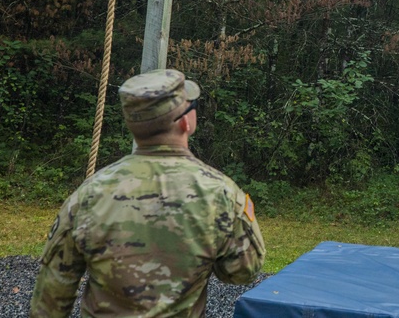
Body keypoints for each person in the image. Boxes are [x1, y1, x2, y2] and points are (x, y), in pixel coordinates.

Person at [30, 69, 265, 317]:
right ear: (185, 122)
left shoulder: (89, 194)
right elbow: (242, 271)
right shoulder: (221, 193)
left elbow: (51, 299)